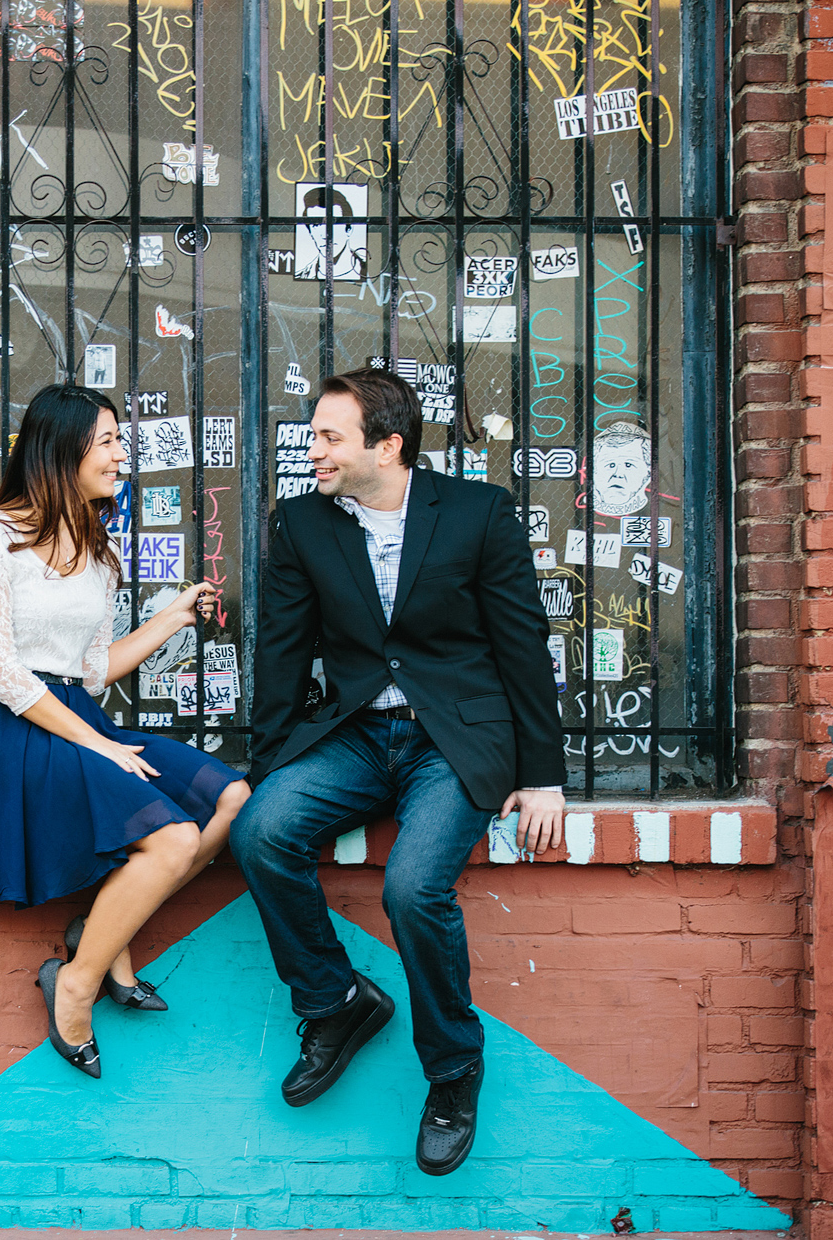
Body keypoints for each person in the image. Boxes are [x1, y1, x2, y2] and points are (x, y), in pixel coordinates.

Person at [229, 366, 566, 1175]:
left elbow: (522, 643)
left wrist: (543, 772)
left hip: (449, 743)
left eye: (328, 436)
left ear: (388, 445)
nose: (312, 449)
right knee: (262, 831)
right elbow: (281, 653)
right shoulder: (304, 524)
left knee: (413, 888)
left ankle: (453, 1072)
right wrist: (268, 770)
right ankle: (335, 1001)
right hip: (351, 734)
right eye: (313, 433)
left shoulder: (478, 513)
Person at [0, 383, 251, 1079]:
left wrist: (171, 616)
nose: (120, 454)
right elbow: (0, 672)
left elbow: (93, 670)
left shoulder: (98, 551)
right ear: (63, 449)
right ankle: (75, 984)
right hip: (14, 729)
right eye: (107, 440)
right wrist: (98, 742)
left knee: (231, 800)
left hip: (78, 714)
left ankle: (96, 935)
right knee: (171, 838)